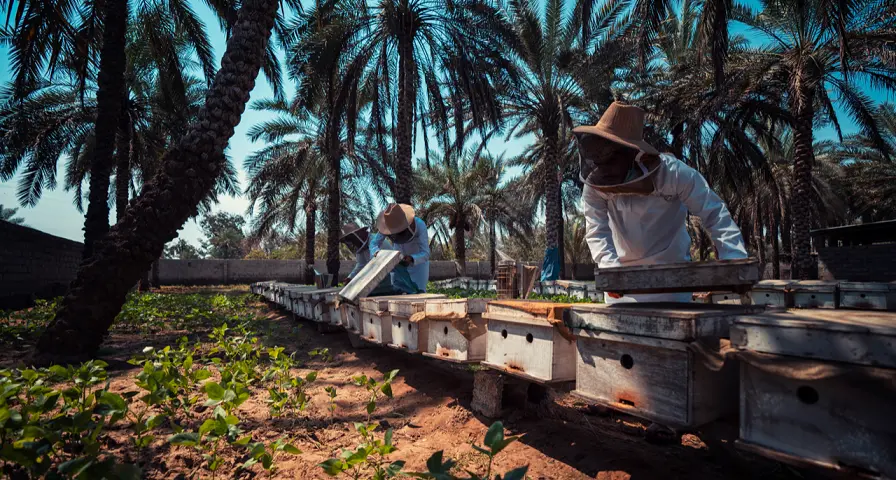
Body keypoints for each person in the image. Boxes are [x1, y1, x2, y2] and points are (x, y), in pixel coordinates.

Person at [576, 101, 748, 304]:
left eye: (611, 159)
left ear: (633, 153)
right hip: (621, 292)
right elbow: (597, 231)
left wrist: (735, 259)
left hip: (674, 285)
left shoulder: (674, 173)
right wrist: (612, 272)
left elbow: (714, 212)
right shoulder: (595, 185)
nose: (603, 168)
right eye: (599, 160)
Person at [370, 203, 430, 292]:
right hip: (398, 262)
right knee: (399, 292)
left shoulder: (420, 225)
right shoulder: (387, 225)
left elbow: (426, 253)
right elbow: (374, 244)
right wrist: (377, 252)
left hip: (419, 266)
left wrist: (412, 258)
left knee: (419, 294)